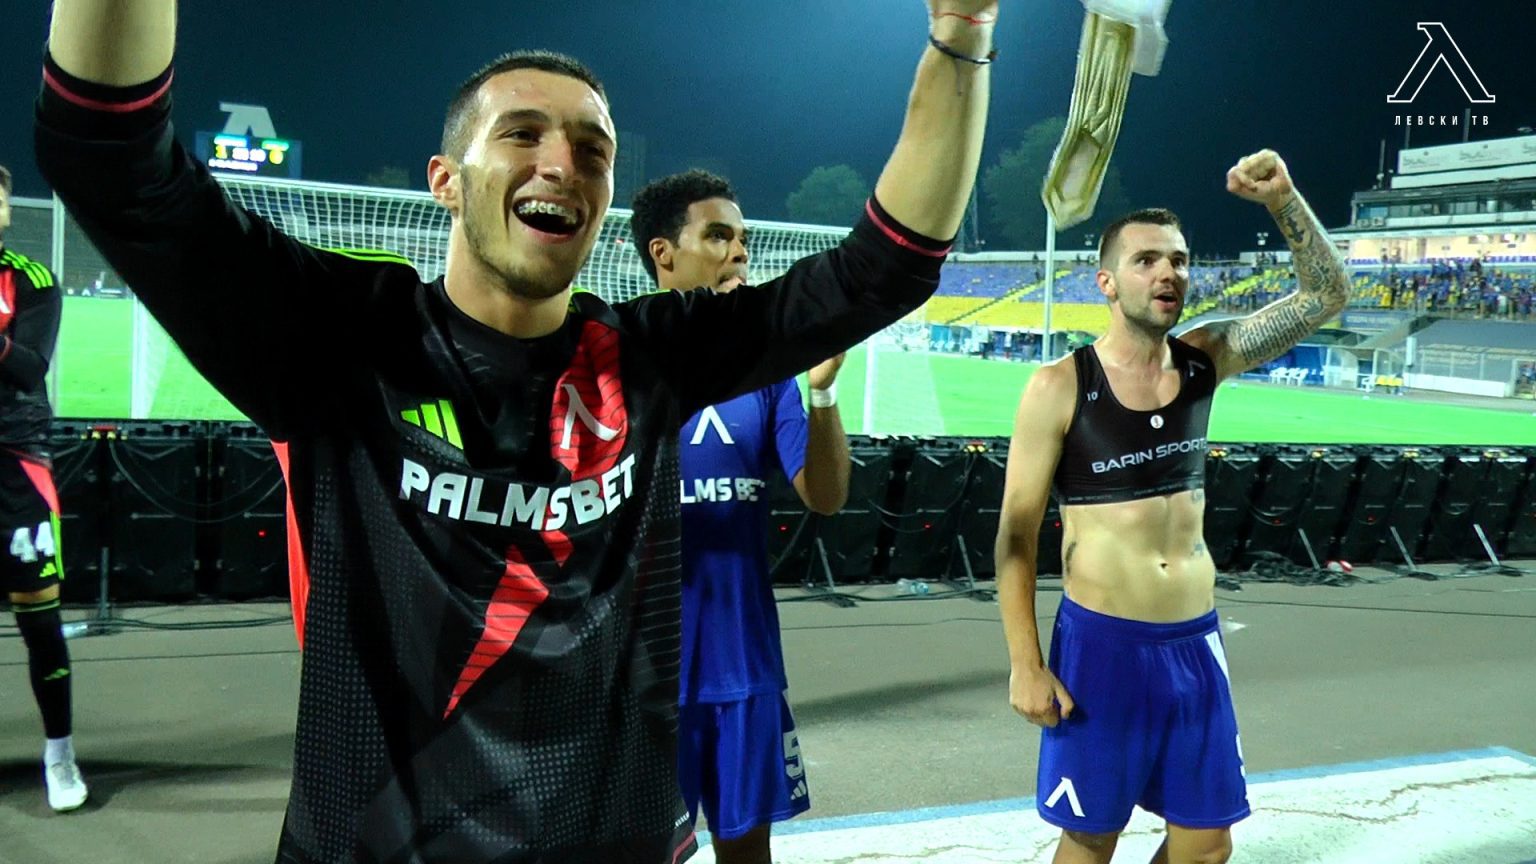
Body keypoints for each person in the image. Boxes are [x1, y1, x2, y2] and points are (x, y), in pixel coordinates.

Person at [36, 1, 995, 860]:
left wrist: (962, 35)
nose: (561, 163)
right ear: (447, 181)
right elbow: (109, 159)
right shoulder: (342, 338)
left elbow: (888, 267)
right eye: (522, 133)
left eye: (592, 149)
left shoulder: (652, 358)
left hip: (619, 838)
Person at [995, 150, 1350, 864]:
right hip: (1103, 649)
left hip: (1194, 643)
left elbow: (1327, 295)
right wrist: (1025, 664)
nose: (1168, 274)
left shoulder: (1205, 358)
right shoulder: (1060, 386)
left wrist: (1283, 200)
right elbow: (1015, 538)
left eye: (1179, 261)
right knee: (1091, 839)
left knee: (1207, 845)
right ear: (1106, 281)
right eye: (1147, 260)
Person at [630, 170, 850, 862]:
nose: (740, 252)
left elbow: (825, 495)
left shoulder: (769, 374)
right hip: (643, 674)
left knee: (748, 854)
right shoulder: (619, 363)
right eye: (719, 236)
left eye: (743, 239)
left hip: (744, 666)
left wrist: (822, 394)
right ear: (664, 253)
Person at [0, 163, 87, 813]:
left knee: (39, 618)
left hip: (15, 463)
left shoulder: (31, 279)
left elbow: (28, 368)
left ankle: (60, 754)